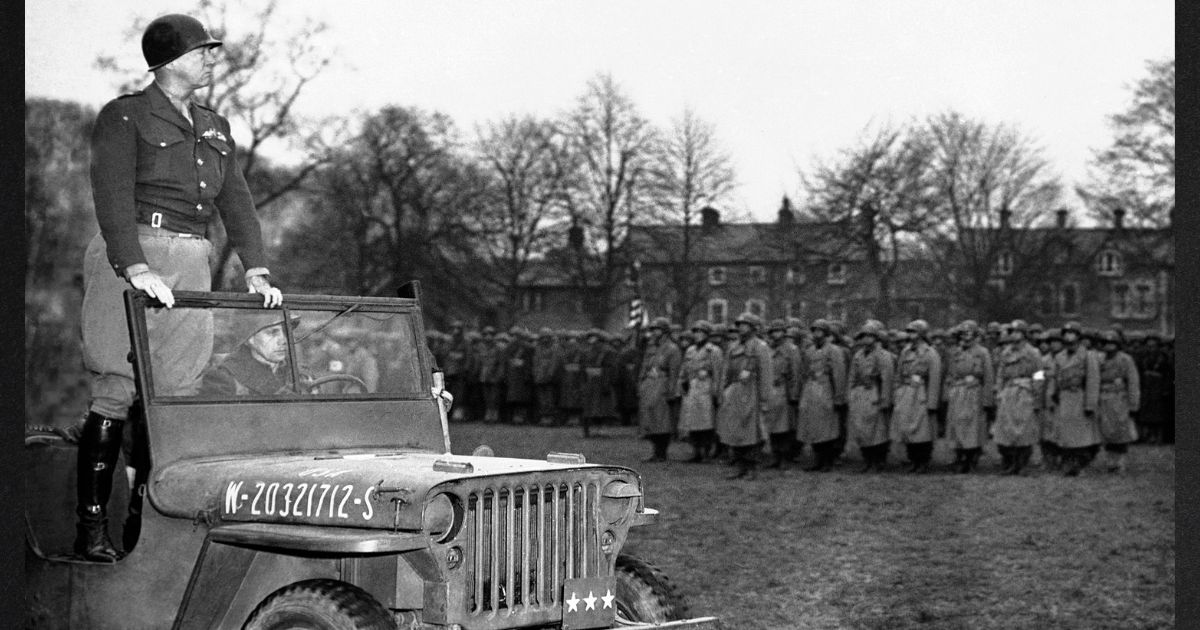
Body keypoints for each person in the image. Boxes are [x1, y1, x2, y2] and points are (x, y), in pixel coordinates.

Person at [75, 14, 283, 562]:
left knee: (172, 397)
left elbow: (235, 200)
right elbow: (111, 194)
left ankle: (145, 536)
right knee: (117, 388)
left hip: (192, 259)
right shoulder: (125, 116)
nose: (214, 59)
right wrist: (134, 266)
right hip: (136, 254)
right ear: (168, 62)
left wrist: (255, 266)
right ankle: (90, 531)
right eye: (203, 52)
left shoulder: (214, 126)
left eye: (214, 50)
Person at [715, 313, 773, 480]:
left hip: (752, 394)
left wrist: (764, 400)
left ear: (754, 328)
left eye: (745, 325)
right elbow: (726, 372)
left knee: (752, 434)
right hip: (734, 393)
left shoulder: (760, 347)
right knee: (734, 431)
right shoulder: (733, 347)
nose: (741, 328)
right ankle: (740, 466)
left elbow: (766, 375)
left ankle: (751, 467)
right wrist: (723, 392)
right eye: (740, 325)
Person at [991, 320, 1045, 475]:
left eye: (1016, 332)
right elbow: (1000, 374)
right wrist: (999, 392)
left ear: (1023, 334)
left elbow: (1039, 375)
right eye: (1011, 332)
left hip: (1025, 392)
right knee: (1006, 428)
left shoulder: (1033, 353)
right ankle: (1009, 462)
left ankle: (1022, 464)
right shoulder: (1006, 352)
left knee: (1024, 429)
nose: (1012, 335)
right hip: (1008, 392)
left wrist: (1036, 393)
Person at [1049, 322, 1102, 476]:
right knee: (1065, 435)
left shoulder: (1088, 355)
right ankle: (1069, 463)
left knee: (1081, 435)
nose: (1068, 336)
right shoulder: (1059, 356)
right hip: (1064, 398)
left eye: (1072, 333)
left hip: (1079, 396)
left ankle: (1081, 464)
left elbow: (1093, 380)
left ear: (1078, 336)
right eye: (1066, 333)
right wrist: (1053, 394)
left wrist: (1090, 404)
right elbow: (1054, 376)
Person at [941, 320, 994, 473]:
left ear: (975, 335)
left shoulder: (982, 352)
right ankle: (959, 457)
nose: (966, 336)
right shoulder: (955, 352)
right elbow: (950, 375)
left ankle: (971, 458)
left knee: (972, 427)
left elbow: (988, 378)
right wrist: (947, 394)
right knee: (956, 425)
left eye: (969, 332)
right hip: (957, 393)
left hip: (974, 393)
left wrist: (987, 400)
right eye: (963, 333)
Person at [890, 320, 943, 473]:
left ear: (921, 334)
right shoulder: (905, 351)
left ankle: (923, 461)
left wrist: (932, 403)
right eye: (909, 332)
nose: (910, 335)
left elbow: (934, 379)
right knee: (906, 429)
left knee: (922, 431)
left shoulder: (930, 353)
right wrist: (897, 393)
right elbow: (898, 375)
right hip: (906, 394)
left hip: (921, 396)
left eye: (913, 332)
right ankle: (913, 460)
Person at [201, 315, 300, 396]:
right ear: (249, 338)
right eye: (272, 333)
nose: (283, 341)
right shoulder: (224, 379)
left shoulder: (299, 371)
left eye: (286, 332)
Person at [796, 319, 847, 472]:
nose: (817, 334)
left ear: (826, 334)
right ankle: (817, 460)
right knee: (812, 427)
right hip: (810, 390)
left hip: (826, 390)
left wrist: (839, 396)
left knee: (827, 428)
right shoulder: (809, 350)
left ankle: (827, 461)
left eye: (820, 331)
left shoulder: (834, 350)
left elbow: (839, 374)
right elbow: (803, 372)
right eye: (815, 331)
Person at [846, 320, 895, 472]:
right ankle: (867, 460)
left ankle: (878, 461)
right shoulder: (858, 355)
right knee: (861, 429)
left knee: (878, 431)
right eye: (864, 336)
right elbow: (852, 377)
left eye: (870, 336)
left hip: (875, 393)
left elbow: (887, 379)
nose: (866, 340)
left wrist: (885, 399)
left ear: (876, 338)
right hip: (860, 395)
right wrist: (850, 394)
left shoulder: (883, 355)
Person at [677, 320, 724, 462]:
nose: (698, 335)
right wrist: (682, 382)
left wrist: (717, 392)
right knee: (692, 421)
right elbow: (684, 368)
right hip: (692, 387)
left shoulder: (714, 351)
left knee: (706, 422)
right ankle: (696, 451)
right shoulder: (690, 350)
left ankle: (706, 452)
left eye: (701, 332)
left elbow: (718, 373)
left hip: (706, 388)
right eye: (696, 332)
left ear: (707, 334)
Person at [1096, 330, 1140, 473]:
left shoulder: (1125, 359)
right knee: (1106, 431)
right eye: (1106, 343)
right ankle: (1110, 460)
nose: (1109, 347)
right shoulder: (1099, 359)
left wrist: (1134, 403)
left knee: (1121, 430)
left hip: (1120, 398)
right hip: (1103, 398)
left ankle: (1120, 462)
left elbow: (1133, 382)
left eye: (1112, 343)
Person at [638, 318, 682, 461]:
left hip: (662, 386)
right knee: (650, 419)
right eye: (653, 330)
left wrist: (671, 390)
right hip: (649, 385)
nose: (654, 333)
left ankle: (662, 452)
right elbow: (644, 367)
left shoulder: (672, 349)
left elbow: (674, 372)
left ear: (664, 331)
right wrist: (641, 384)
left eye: (657, 329)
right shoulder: (651, 348)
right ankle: (655, 451)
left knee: (662, 421)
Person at [763, 319, 801, 469]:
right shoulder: (767, 349)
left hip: (783, 391)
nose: (775, 334)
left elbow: (796, 374)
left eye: (778, 331)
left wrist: (794, 394)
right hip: (769, 391)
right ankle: (775, 455)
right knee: (772, 426)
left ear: (784, 333)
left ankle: (785, 457)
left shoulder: (791, 350)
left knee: (784, 427)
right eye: (773, 331)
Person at [580, 330, 619, 438]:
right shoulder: (586, 351)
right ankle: (594, 429)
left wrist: (607, 382)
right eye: (590, 337)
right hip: (590, 382)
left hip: (602, 381)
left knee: (603, 407)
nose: (591, 339)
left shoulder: (608, 351)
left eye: (594, 337)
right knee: (591, 407)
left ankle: (603, 428)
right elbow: (583, 367)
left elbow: (611, 369)